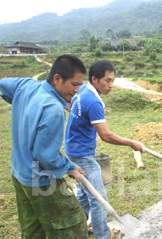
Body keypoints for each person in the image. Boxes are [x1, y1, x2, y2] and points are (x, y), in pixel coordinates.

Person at [0, 54, 88, 238]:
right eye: (74, 84)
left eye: (79, 85)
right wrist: (69, 167)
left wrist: (19, 103)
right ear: (57, 78)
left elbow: (3, 84)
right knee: (72, 227)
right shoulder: (54, 110)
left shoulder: (26, 86)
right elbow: (45, 156)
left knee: (33, 230)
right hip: (41, 182)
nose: (77, 90)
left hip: (20, 176)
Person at [65, 60, 145, 239]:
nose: (111, 85)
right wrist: (132, 143)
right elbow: (106, 135)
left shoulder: (82, 91)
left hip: (72, 151)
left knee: (85, 196)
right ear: (94, 79)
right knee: (99, 200)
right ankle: (102, 236)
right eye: (107, 81)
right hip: (83, 156)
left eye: (113, 81)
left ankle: (78, 231)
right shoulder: (93, 102)